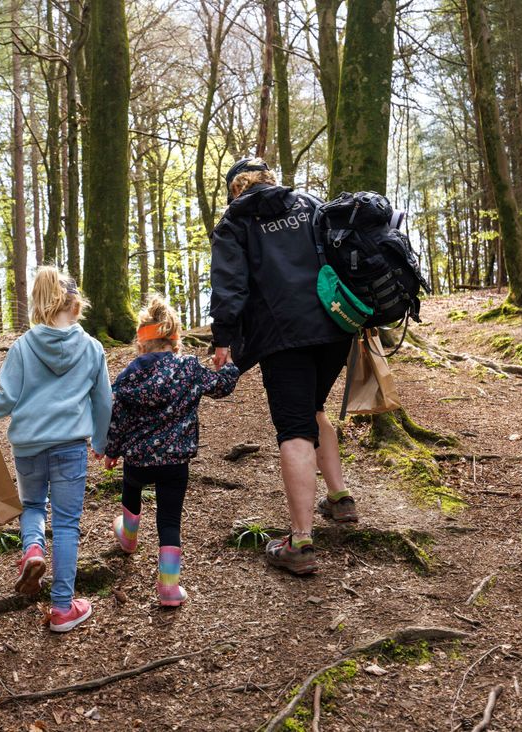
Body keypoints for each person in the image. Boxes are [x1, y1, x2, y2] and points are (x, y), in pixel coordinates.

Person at [210, 157, 357, 576]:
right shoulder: (309, 203)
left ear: (235, 188)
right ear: (269, 179)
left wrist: (223, 337)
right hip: (335, 325)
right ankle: (339, 497)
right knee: (313, 409)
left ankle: (300, 539)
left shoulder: (235, 220)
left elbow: (230, 282)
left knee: (294, 428)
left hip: (284, 335)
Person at [0, 267, 112, 633]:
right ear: (76, 305)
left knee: (32, 506)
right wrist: (101, 440)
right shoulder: (92, 348)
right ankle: (63, 607)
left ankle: (32, 550)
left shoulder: (23, 346)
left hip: (29, 446)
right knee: (65, 523)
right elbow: (104, 402)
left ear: (38, 305)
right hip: (70, 447)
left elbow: (7, 399)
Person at [104, 296, 239, 606]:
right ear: (176, 338)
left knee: (131, 489)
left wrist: (112, 449)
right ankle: (168, 587)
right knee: (169, 521)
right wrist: (230, 367)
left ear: (141, 342)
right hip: (175, 462)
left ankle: (128, 535)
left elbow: (119, 416)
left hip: (137, 459)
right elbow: (220, 387)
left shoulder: (130, 374)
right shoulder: (189, 368)